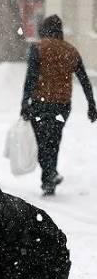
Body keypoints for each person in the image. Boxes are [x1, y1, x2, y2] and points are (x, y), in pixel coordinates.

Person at [21, 14, 97, 196]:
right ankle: (50, 177)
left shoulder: (38, 48)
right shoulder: (70, 50)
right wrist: (91, 104)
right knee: (53, 141)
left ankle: (49, 175)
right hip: (62, 105)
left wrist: (24, 102)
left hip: (40, 104)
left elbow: (31, 78)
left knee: (42, 143)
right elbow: (84, 79)